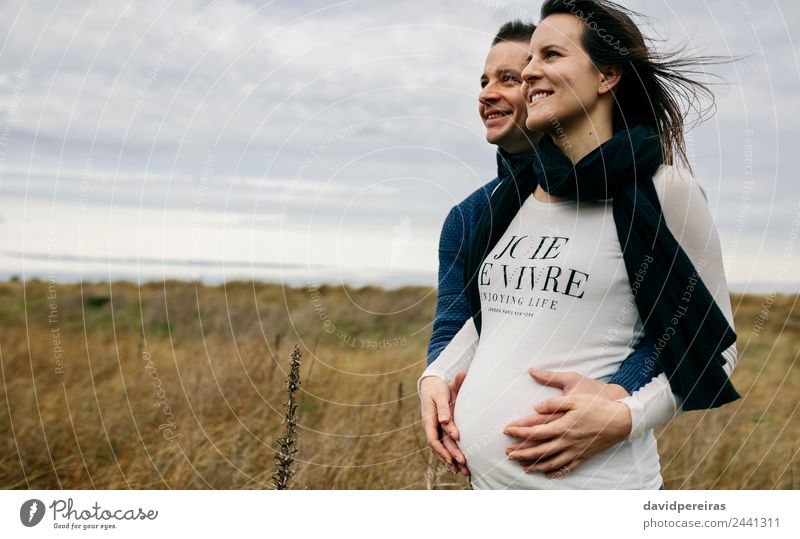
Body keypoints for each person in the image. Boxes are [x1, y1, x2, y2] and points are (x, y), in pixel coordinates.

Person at [419, 0, 740, 489]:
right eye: (529, 62)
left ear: (607, 75)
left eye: (550, 55)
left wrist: (625, 415)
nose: (530, 72)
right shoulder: (517, 198)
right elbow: (495, 319)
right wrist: (437, 375)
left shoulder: (664, 191)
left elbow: (711, 344)